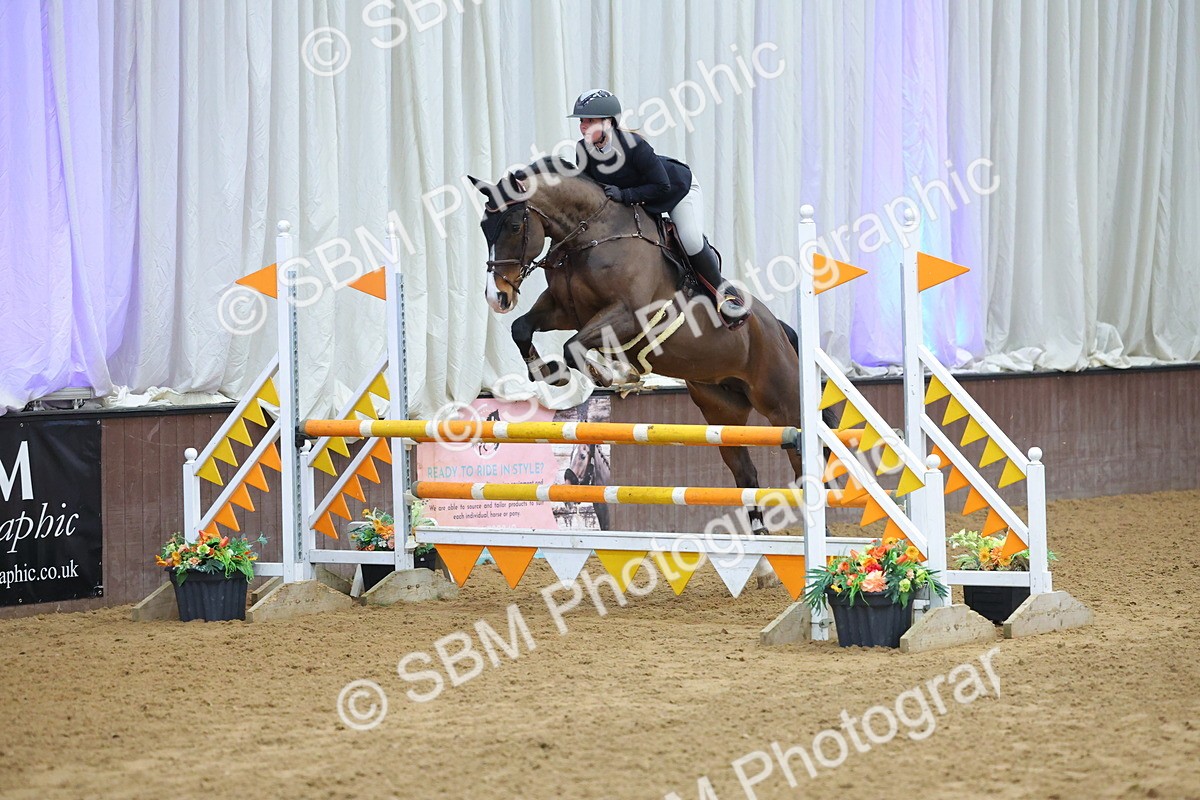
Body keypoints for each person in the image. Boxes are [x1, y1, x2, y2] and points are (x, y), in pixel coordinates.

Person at [568, 89, 749, 328]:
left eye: (589, 121)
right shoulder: (583, 150)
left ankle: (726, 297)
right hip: (638, 201)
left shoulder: (634, 146)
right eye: (582, 121)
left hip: (677, 190)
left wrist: (625, 194)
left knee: (691, 239)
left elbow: (661, 185)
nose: (583, 127)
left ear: (608, 122)